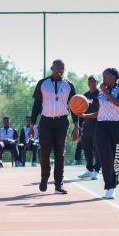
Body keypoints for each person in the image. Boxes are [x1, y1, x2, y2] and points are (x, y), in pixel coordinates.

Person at [30, 59, 79, 194]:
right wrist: (32, 125)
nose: (60, 70)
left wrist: (76, 126)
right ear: (52, 68)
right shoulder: (42, 83)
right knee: (45, 152)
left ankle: (58, 184)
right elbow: (36, 106)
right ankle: (44, 178)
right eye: (57, 68)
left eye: (62, 68)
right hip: (45, 122)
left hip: (62, 122)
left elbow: (75, 107)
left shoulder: (69, 85)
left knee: (60, 153)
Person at [79, 68, 119, 199]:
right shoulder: (100, 93)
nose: (103, 79)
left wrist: (105, 92)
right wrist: (85, 115)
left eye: (105, 76)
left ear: (113, 77)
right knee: (105, 156)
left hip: (117, 126)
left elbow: (118, 103)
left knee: (117, 158)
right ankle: (109, 186)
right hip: (101, 127)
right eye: (103, 76)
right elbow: (100, 112)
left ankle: (114, 179)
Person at [78, 75, 101, 180]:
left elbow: (101, 111)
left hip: (98, 125)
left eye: (93, 81)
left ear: (97, 82)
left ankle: (96, 170)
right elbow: (80, 111)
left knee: (98, 149)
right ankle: (89, 169)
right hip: (86, 126)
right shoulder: (85, 96)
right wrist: (79, 127)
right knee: (86, 148)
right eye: (89, 81)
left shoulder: (101, 95)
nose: (91, 82)